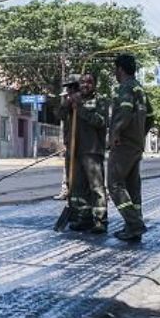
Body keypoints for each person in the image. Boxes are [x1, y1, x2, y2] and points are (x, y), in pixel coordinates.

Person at [107, 54, 153, 242]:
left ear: (119, 69)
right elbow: (150, 116)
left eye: (115, 69)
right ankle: (133, 227)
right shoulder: (139, 88)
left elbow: (124, 113)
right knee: (132, 187)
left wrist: (116, 134)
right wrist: (140, 134)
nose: (115, 73)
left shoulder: (125, 88)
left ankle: (134, 224)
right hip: (136, 144)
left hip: (123, 144)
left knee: (115, 184)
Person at [67, 74, 109, 233]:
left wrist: (81, 108)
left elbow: (100, 121)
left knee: (96, 187)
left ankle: (100, 220)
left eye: (89, 82)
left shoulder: (101, 101)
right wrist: (68, 102)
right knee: (78, 187)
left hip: (92, 150)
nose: (85, 85)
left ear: (95, 85)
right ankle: (83, 218)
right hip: (76, 150)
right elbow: (59, 114)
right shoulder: (74, 100)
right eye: (82, 82)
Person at [54, 75, 81, 201]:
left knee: (87, 173)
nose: (69, 91)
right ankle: (67, 192)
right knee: (68, 171)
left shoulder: (87, 101)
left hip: (85, 145)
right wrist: (67, 103)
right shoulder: (68, 103)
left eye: (71, 88)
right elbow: (60, 115)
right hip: (70, 143)